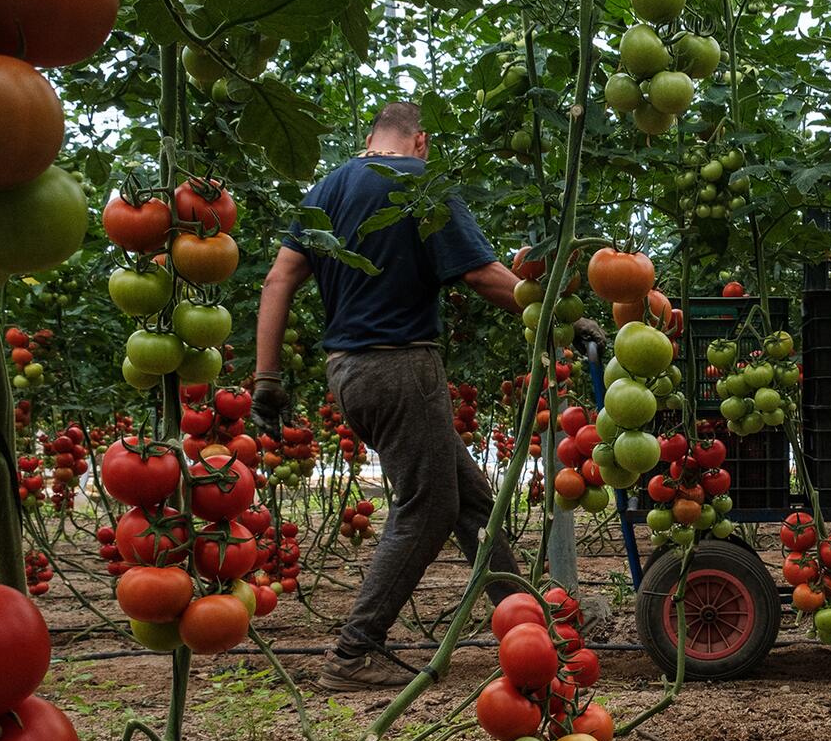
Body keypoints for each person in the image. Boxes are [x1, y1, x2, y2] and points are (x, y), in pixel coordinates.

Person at [253, 102, 593, 692]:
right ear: (421, 142)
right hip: (401, 366)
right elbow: (483, 275)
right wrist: (561, 319)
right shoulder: (421, 184)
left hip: (349, 373)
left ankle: (527, 628)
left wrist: (266, 380)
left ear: (370, 137)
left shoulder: (326, 189)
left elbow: (279, 278)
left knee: (468, 500)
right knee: (427, 508)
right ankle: (354, 652)